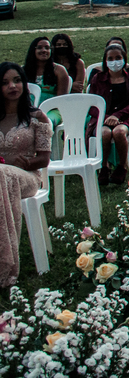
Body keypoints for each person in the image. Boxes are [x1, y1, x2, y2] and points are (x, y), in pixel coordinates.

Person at [0, 63, 52, 286]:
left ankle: (5, 264)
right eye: (4, 83)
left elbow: (45, 158)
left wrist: (29, 161)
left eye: (17, 80)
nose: (12, 86)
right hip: (2, 178)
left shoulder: (36, 117)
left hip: (28, 177)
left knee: (3, 175)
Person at [86, 43, 129, 186]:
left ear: (124, 59)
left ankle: (121, 167)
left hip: (124, 119)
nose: (114, 61)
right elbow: (92, 105)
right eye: (110, 58)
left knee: (118, 132)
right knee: (104, 133)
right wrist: (106, 118)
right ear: (105, 61)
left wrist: (117, 116)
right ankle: (104, 166)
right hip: (102, 119)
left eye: (118, 57)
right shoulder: (98, 79)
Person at [23, 37, 68, 126]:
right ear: (33, 50)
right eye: (39, 47)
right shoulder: (24, 71)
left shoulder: (59, 71)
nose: (44, 50)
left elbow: (61, 100)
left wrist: (40, 113)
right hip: (29, 110)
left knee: (45, 123)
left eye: (47, 48)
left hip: (53, 110)